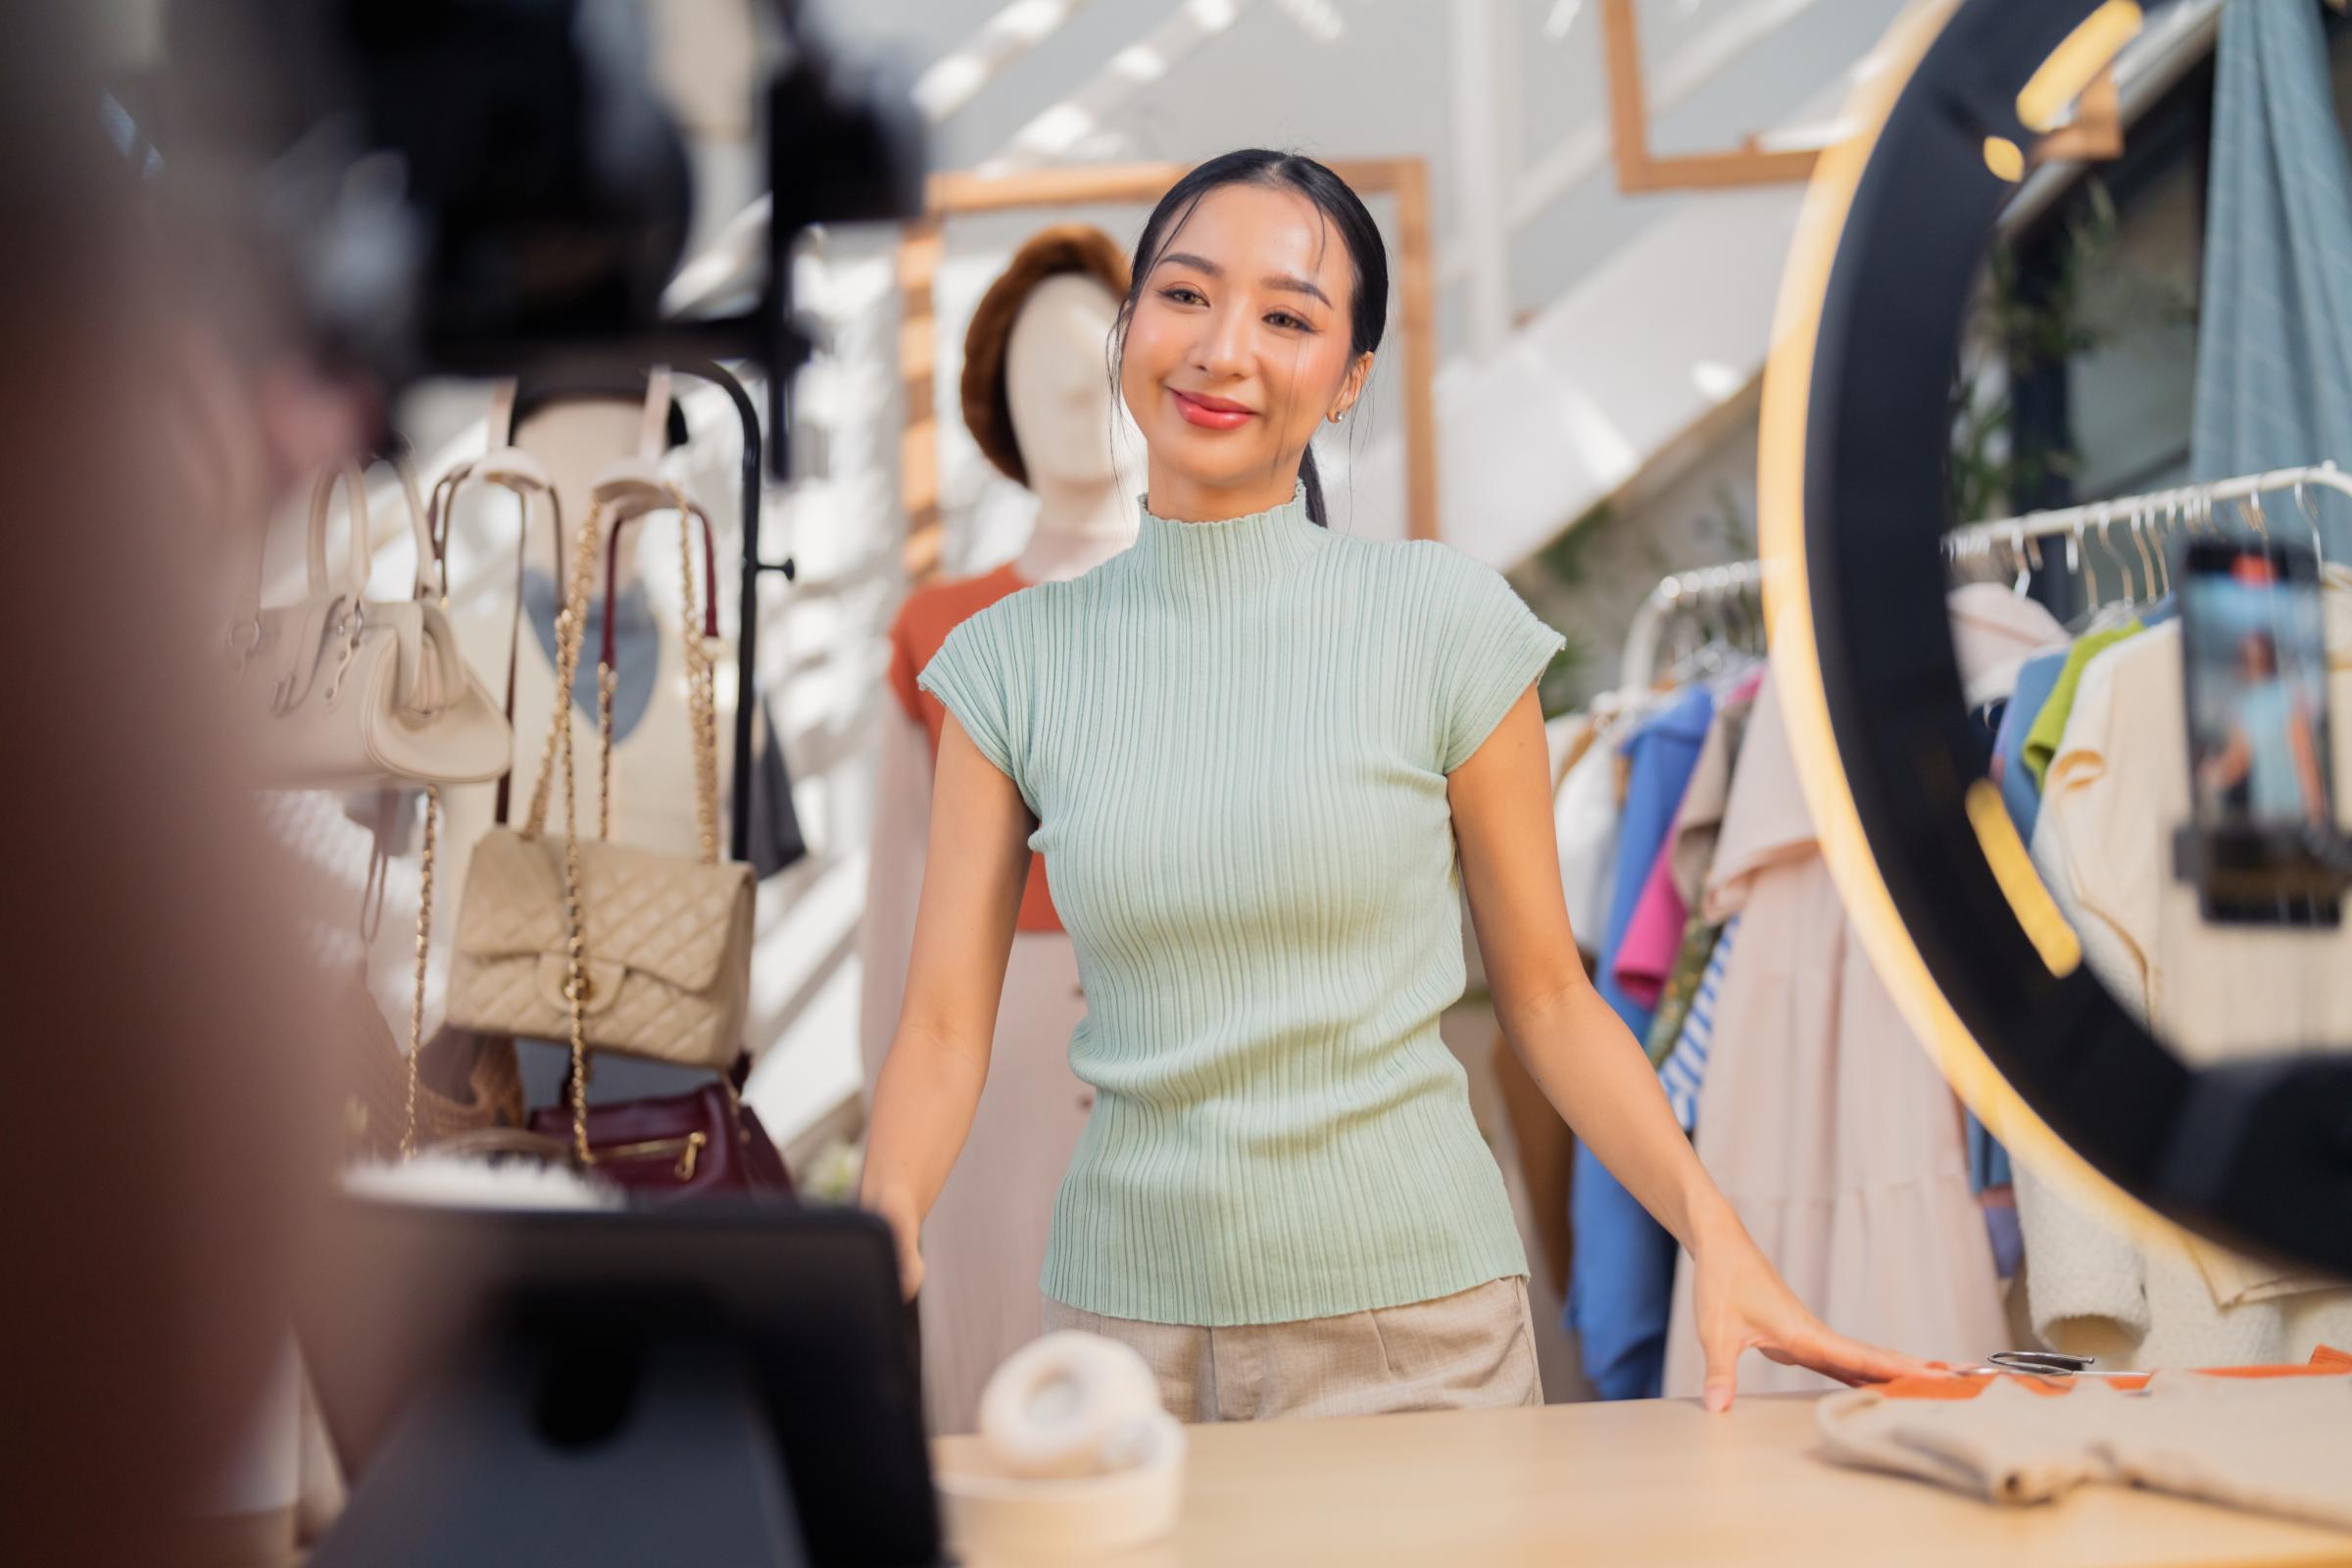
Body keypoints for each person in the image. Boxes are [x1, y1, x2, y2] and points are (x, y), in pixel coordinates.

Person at [858, 149, 1932, 1423]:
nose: (1222, 349)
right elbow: (937, 1032)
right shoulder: (1002, 667)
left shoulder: (1445, 624)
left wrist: (1720, 1237)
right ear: (1131, 325)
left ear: (1348, 376)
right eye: (1186, 297)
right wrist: (879, 1232)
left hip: (1415, 1335)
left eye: (1288, 317)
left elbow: (1547, 997)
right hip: (1126, 1342)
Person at [2200, 629, 2328, 825]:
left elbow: (2304, 756)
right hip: (2271, 815)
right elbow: (2238, 762)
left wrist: (2316, 811)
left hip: (2291, 813)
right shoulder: (2249, 704)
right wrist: (2210, 776)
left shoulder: (2282, 696)